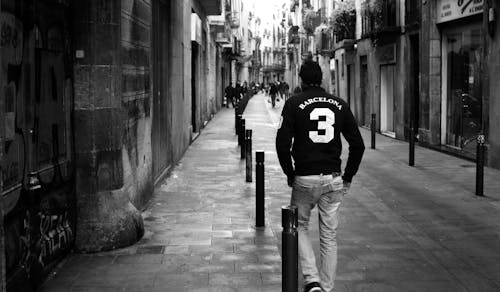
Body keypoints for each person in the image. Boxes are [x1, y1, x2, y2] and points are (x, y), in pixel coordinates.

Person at [275, 59, 365, 292]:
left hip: (304, 178)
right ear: (322, 78)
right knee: (329, 235)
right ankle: (326, 287)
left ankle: (311, 280)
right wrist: (348, 177)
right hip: (333, 179)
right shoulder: (340, 104)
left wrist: (289, 173)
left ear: (302, 79)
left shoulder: (293, 103)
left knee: (300, 227)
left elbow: (282, 144)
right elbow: (358, 145)